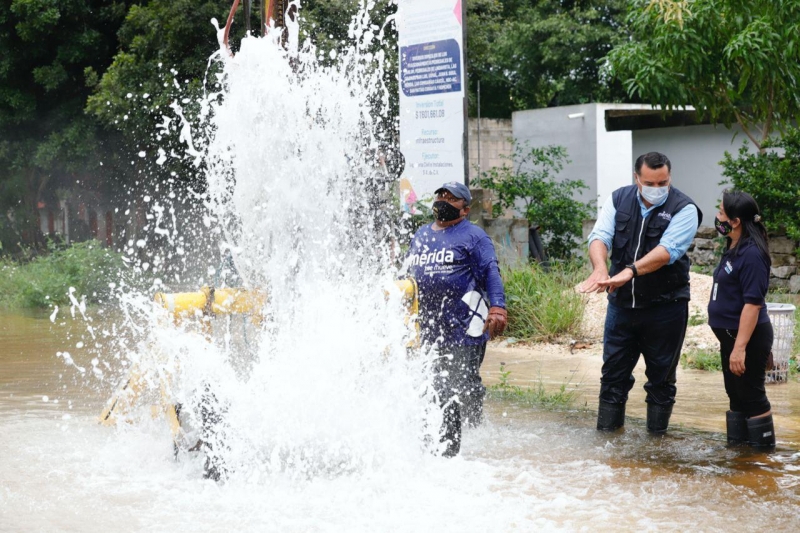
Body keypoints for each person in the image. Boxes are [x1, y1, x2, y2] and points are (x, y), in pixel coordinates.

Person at [579, 152, 702, 433]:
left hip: (666, 309)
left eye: (663, 182)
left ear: (670, 178)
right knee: (613, 377)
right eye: (650, 182)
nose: (657, 189)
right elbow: (599, 237)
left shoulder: (685, 209)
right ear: (637, 178)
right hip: (621, 308)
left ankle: (657, 452)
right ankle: (608, 447)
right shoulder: (618, 199)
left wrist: (629, 272)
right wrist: (600, 268)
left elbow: (666, 252)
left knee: (661, 381)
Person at [403, 181, 507, 456]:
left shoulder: (474, 236)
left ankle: (459, 447)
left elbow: (490, 272)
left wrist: (498, 307)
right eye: (440, 195)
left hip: (466, 325)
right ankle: (436, 442)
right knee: (432, 384)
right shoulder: (421, 235)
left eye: (451, 197)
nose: (443, 199)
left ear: (465, 209)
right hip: (429, 327)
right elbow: (408, 276)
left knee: (456, 385)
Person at [708, 190, 775, 448]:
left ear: (735, 221)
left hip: (746, 338)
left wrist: (741, 348)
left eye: (722, 213)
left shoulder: (752, 254)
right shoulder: (734, 245)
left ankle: (762, 463)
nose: (718, 216)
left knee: (752, 397)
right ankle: (739, 458)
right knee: (735, 397)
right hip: (731, 338)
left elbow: (753, 304)